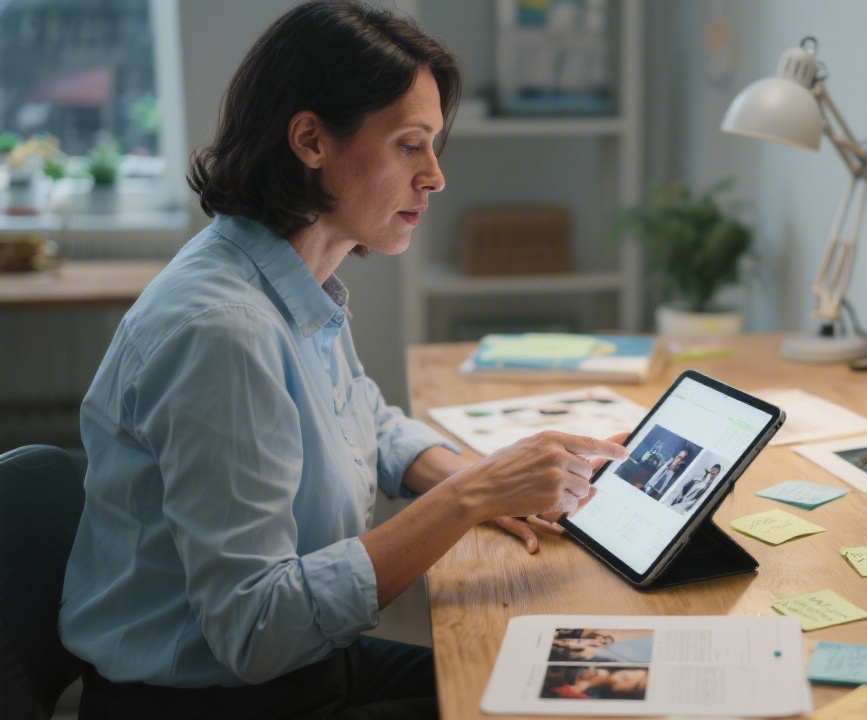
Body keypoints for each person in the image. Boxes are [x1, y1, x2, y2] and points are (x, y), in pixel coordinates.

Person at [57, 4, 628, 719]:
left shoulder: (292, 275)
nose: (436, 177)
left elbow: (365, 420)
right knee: (570, 703)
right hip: (219, 701)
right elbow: (256, 629)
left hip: (299, 672)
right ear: (310, 140)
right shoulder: (225, 332)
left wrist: (483, 478)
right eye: (409, 146)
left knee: (561, 682)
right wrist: (470, 499)